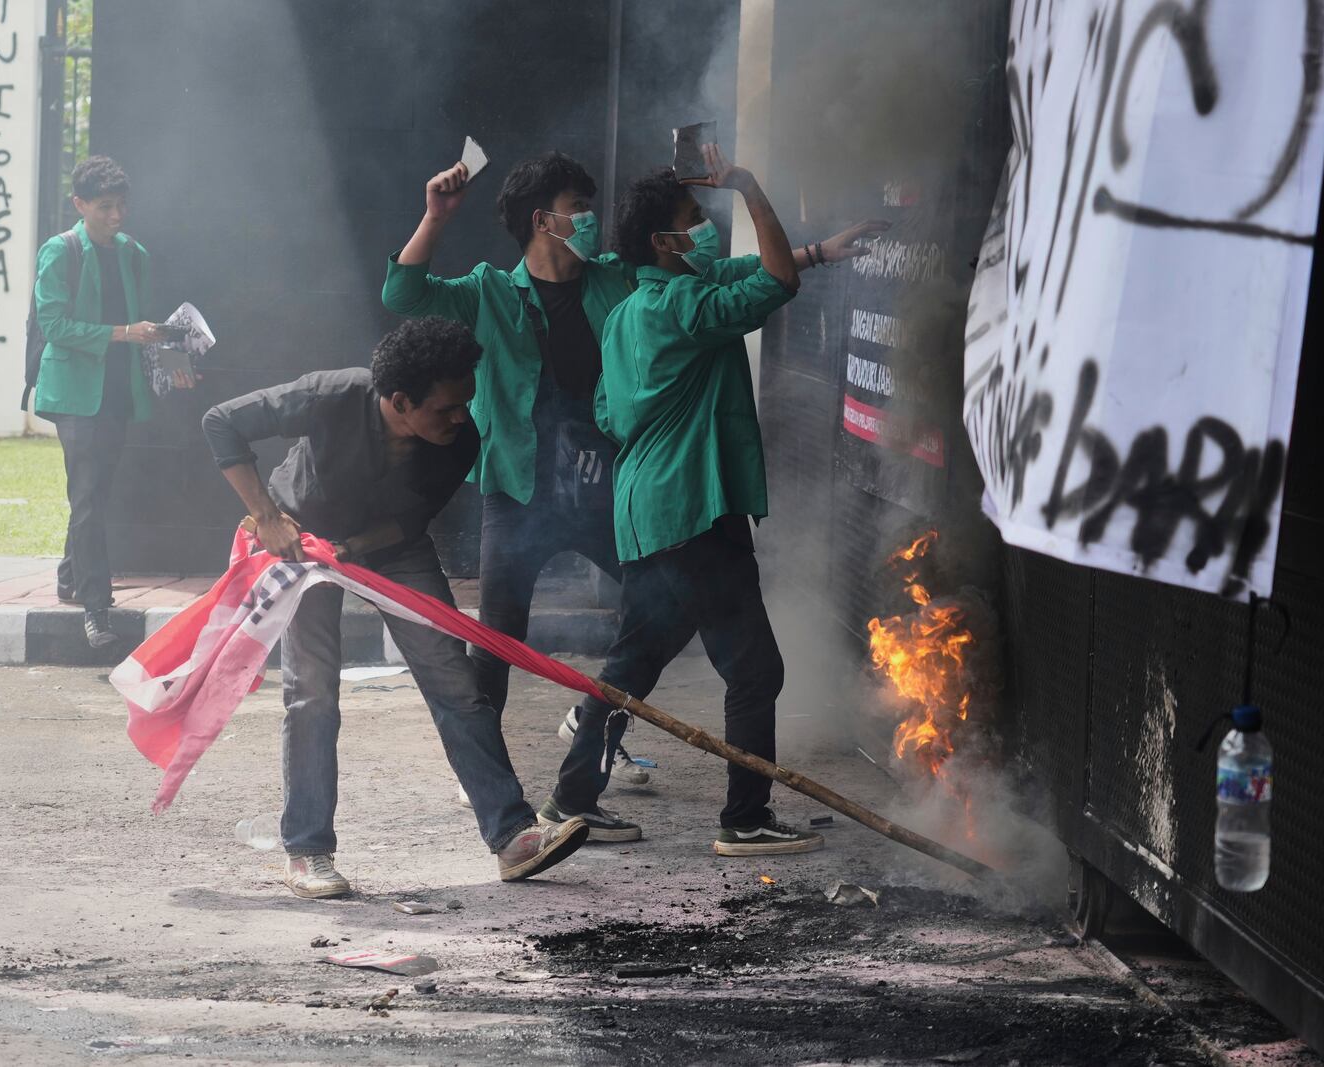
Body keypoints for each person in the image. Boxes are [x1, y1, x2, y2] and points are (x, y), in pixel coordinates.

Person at [544, 147, 883, 856]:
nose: (707, 229)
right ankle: (745, 818)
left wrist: (822, 248)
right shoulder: (685, 309)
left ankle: (571, 799)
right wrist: (751, 186)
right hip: (695, 513)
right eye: (695, 219)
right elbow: (773, 281)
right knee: (756, 670)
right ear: (665, 243)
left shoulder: (633, 311)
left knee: (631, 668)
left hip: (647, 515)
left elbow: (610, 411)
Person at [201, 317, 590, 898]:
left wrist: (351, 549)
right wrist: (267, 516)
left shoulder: (460, 442)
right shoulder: (333, 394)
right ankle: (307, 850)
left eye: (466, 403)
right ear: (400, 400)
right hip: (300, 545)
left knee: (455, 682)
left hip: (391, 549)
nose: (461, 418)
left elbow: (408, 521)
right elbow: (222, 423)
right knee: (311, 694)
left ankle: (512, 835)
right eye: (447, 408)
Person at [382, 152, 662, 815]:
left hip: (601, 491)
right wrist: (434, 217)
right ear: (543, 220)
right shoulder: (488, 292)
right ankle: (483, 769)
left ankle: (595, 728)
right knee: (498, 638)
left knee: (656, 610)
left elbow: (695, 287)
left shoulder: (613, 282)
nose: (592, 219)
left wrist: (811, 253)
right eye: (579, 208)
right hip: (518, 491)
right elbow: (403, 295)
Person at [32, 156, 193, 649]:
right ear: (79, 204)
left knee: (95, 490)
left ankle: (69, 577)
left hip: (119, 391)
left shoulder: (133, 253)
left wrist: (172, 355)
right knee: (87, 496)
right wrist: (123, 333)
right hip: (75, 394)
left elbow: (146, 319)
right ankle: (95, 609)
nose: (117, 216)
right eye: (105, 207)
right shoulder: (60, 252)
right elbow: (53, 326)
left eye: (122, 206)